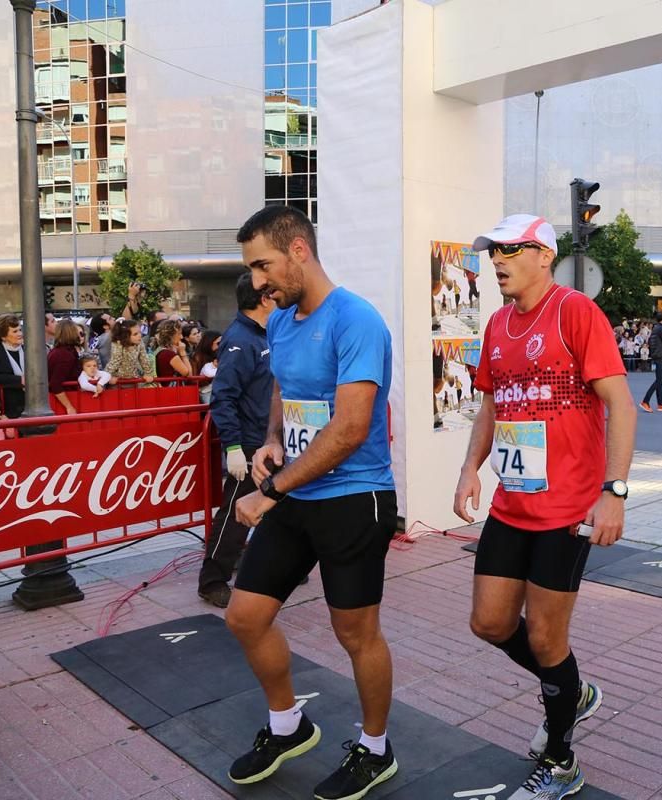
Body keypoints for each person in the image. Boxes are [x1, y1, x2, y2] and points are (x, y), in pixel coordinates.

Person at [454, 214, 635, 800]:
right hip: (511, 504)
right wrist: (468, 470)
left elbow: (622, 407)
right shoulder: (498, 322)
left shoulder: (576, 312)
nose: (497, 261)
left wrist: (615, 491)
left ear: (542, 254)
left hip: (569, 510)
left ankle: (561, 763)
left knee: (547, 642)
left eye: (509, 250)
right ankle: (572, 692)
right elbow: (492, 409)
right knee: (490, 623)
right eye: (493, 252)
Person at [226, 206, 399, 800]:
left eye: (262, 265)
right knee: (245, 616)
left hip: (355, 498)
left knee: (356, 635)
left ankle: (375, 749)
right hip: (297, 493)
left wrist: (269, 492)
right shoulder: (279, 322)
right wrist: (272, 440)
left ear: (298, 250)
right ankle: (287, 724)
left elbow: (351, 430)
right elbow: (285, 388)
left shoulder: (357, 320)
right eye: (251, 269)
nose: (257, 281)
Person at [199, 273, 276, 607]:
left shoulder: (265, 333)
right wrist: (232, 447)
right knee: (234, 512)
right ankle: (212, 579)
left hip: (268, 440)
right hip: (246, 442)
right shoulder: (240, 340)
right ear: (262, 298)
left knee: (276, 506)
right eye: (273, 292)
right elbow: (223, 396)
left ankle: (267, 563)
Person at [47, 318, 84, 415]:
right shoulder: (64, 355)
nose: (79, 334)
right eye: (76, 331)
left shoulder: (64, 351)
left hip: (69, 396)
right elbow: (55, 384)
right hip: (63, 402)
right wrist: (69, 406)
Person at [639, 311, 662, 412]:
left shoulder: (657, 328)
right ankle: (645, 401)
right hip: (661, 355)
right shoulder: (661, 329)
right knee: (659, 380)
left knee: (660, 380)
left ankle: (661, 403)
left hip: (658, 355)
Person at [107, 319, 156, 384]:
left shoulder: (139, 342)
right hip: (118, 380)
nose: (140, 335)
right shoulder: (118, 344)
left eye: (140, 332)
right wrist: (108, 376)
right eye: (135, 334)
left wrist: (148, 373)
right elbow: (115, 361)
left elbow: (144, 358)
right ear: (125, 336)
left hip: (133, 378)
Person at [191, 330, 222, 404]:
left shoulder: (218, 355)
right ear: (209, 342)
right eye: (218, 343)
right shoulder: (197, 357)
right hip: (203, 392)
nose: (221, 346)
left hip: (217, 391)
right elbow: (193, 379)